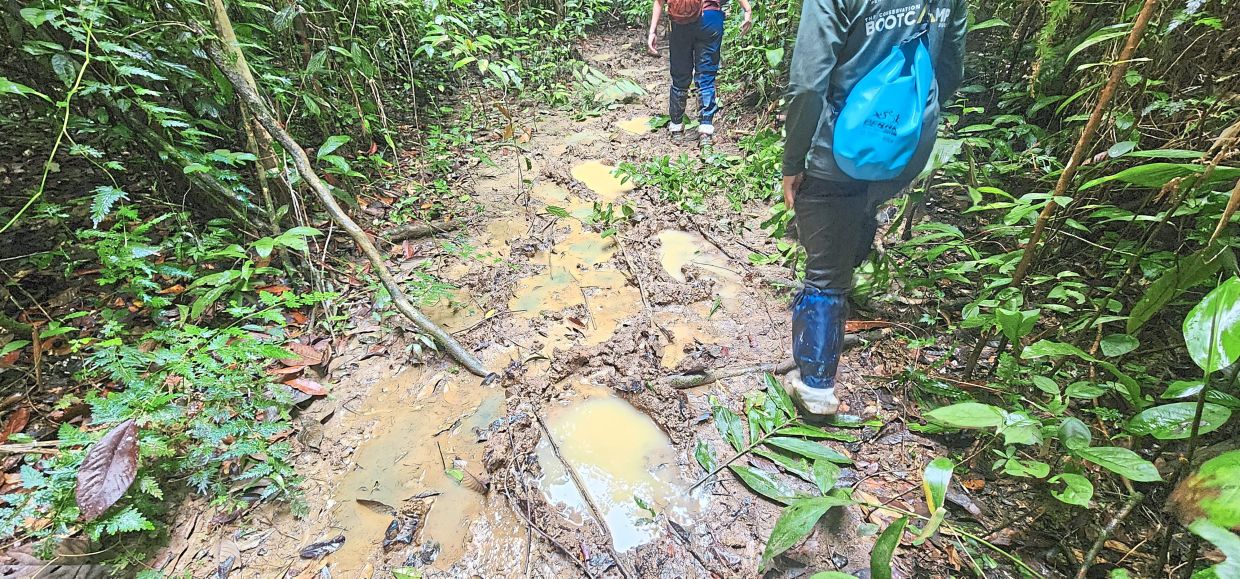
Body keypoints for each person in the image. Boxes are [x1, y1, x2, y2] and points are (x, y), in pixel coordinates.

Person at [780, 0, 968, 416]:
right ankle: (849, 259)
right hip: (905, 146)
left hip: (841, 147)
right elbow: (950, 66)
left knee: (825, 273)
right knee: (862, 208)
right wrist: (909, 120)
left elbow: (808, 85)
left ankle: (816, 387)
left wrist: (793, 161)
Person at [646, 0, 753, 147]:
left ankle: (676, 128)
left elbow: (659, 2)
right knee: (706, 75)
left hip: (681, 21)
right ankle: (705, 130)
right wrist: (747, 9)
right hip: (710, 19)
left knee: (680, 74)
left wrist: (652, 32)